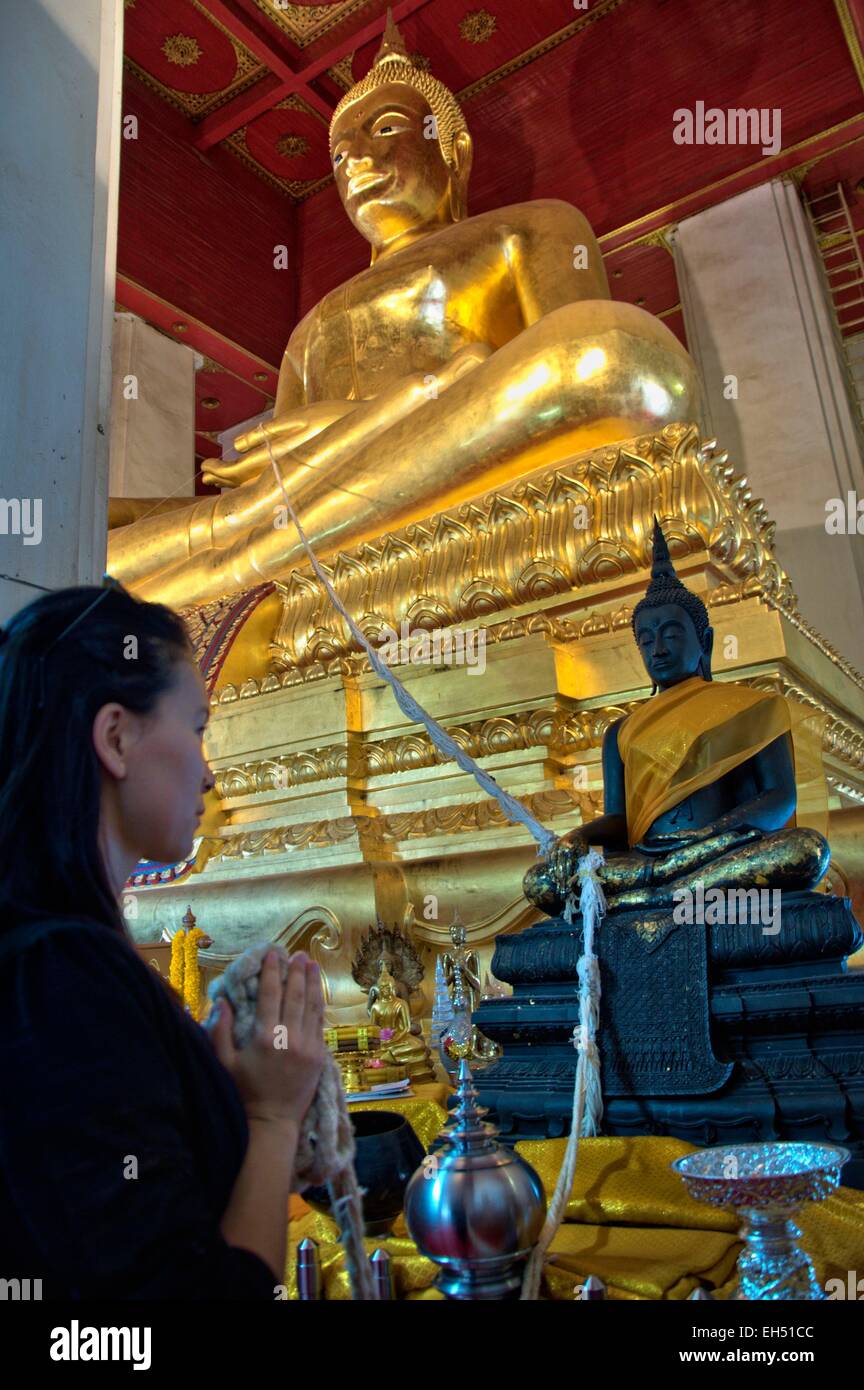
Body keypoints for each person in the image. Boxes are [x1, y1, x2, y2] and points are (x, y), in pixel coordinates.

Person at [0, 583, 326, 1298]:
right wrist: (271, 1117)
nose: (209, 774)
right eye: (199, 726)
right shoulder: (62, 979)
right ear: (117, 737)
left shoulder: (58, 962)